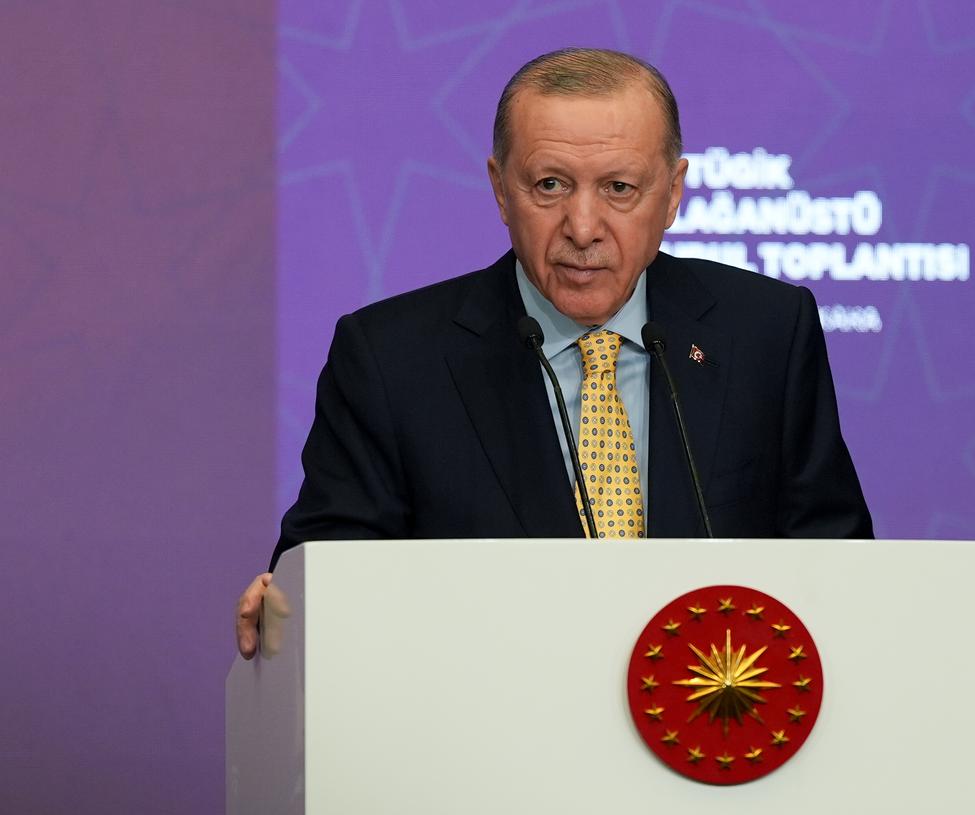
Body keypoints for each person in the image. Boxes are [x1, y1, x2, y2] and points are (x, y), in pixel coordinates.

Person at [236, 48, 872, 659]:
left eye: (620, 187)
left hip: (711, 730)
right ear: (500, 189)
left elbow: (840, 568)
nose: (583, 226)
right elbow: (329, 573)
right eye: (549, 184)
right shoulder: (390, 358)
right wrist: (291, 606)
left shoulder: (765, 331)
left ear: (673, 193)